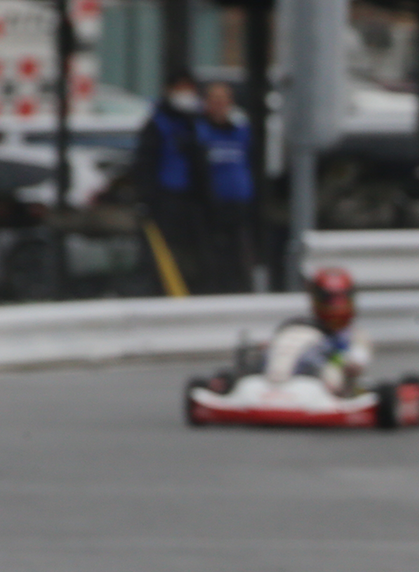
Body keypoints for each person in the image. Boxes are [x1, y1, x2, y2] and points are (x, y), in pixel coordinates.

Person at [134, 70, 205, 293]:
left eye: (189, 88)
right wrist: (147, 198)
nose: (186, 94)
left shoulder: (195, 122)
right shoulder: (158, 123)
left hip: (191, 201)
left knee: (193, 255)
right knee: (163, 255)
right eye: (180, 88)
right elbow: (145, 163)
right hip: (165, 201)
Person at [261, 267, 370, 393]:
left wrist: (339, 359)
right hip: (293, 382)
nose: (335, 306)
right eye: (328, 299)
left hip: (330, 390)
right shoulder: (302, 328)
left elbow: (358, 361)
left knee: (332, 375)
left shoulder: (355, 336)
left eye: (339, 299)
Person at [194, 82, 256, 293]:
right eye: (214, 100)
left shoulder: (241, 132)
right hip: (211, 206)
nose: (219, 105)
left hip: (238, 203)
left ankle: (240, 289)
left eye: (223, 100)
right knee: (213, 254)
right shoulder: (200, 133)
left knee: (238, 253)